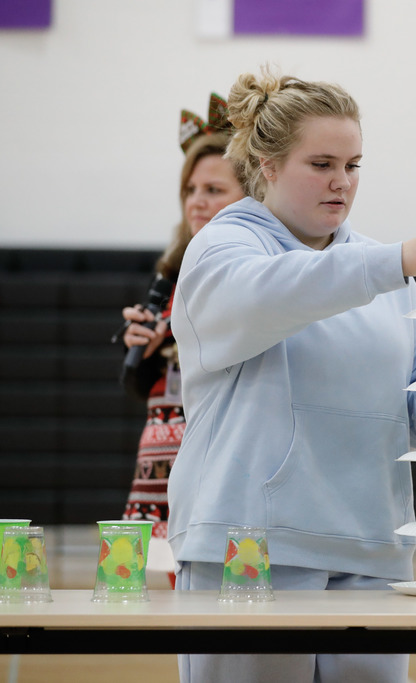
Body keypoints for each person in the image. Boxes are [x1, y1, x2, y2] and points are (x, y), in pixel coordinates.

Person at [167, 66, 416, 683]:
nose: (341, 182)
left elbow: (414, 424)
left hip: (372, 547)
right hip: (250, 548)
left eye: (353, 165)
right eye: (321, 164)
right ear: (267, 165)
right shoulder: (222, 248)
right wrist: (395, 261)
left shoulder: (385, 272)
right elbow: (276, 294)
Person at [118, 93, 245, 587]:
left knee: (231, 590)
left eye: (213, 189)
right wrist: (142, 350)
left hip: (215, 457)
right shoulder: (172, 273)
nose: (197, 201)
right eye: (190, 189)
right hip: (164, 455)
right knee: (177, 597)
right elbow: (146, 387)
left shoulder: (250, 269)